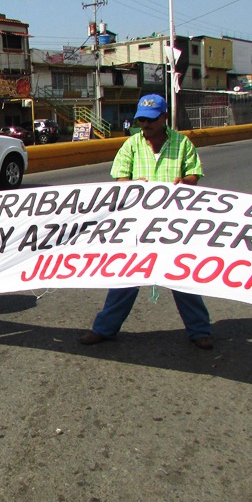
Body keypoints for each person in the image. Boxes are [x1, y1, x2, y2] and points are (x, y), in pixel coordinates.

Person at [78, 93, 214, 350]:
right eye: (141, 120)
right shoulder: (131, 145)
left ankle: (200, 331)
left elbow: (194, 174)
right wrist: (132, 186)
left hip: (173, 226)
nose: (146, 125)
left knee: (182, 278)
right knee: (126, 279)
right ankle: (104, 329)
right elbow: (119, 180)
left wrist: (184, 183)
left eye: (151, 120)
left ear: (164, 118)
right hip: (137, 226)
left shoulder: (182, 143)